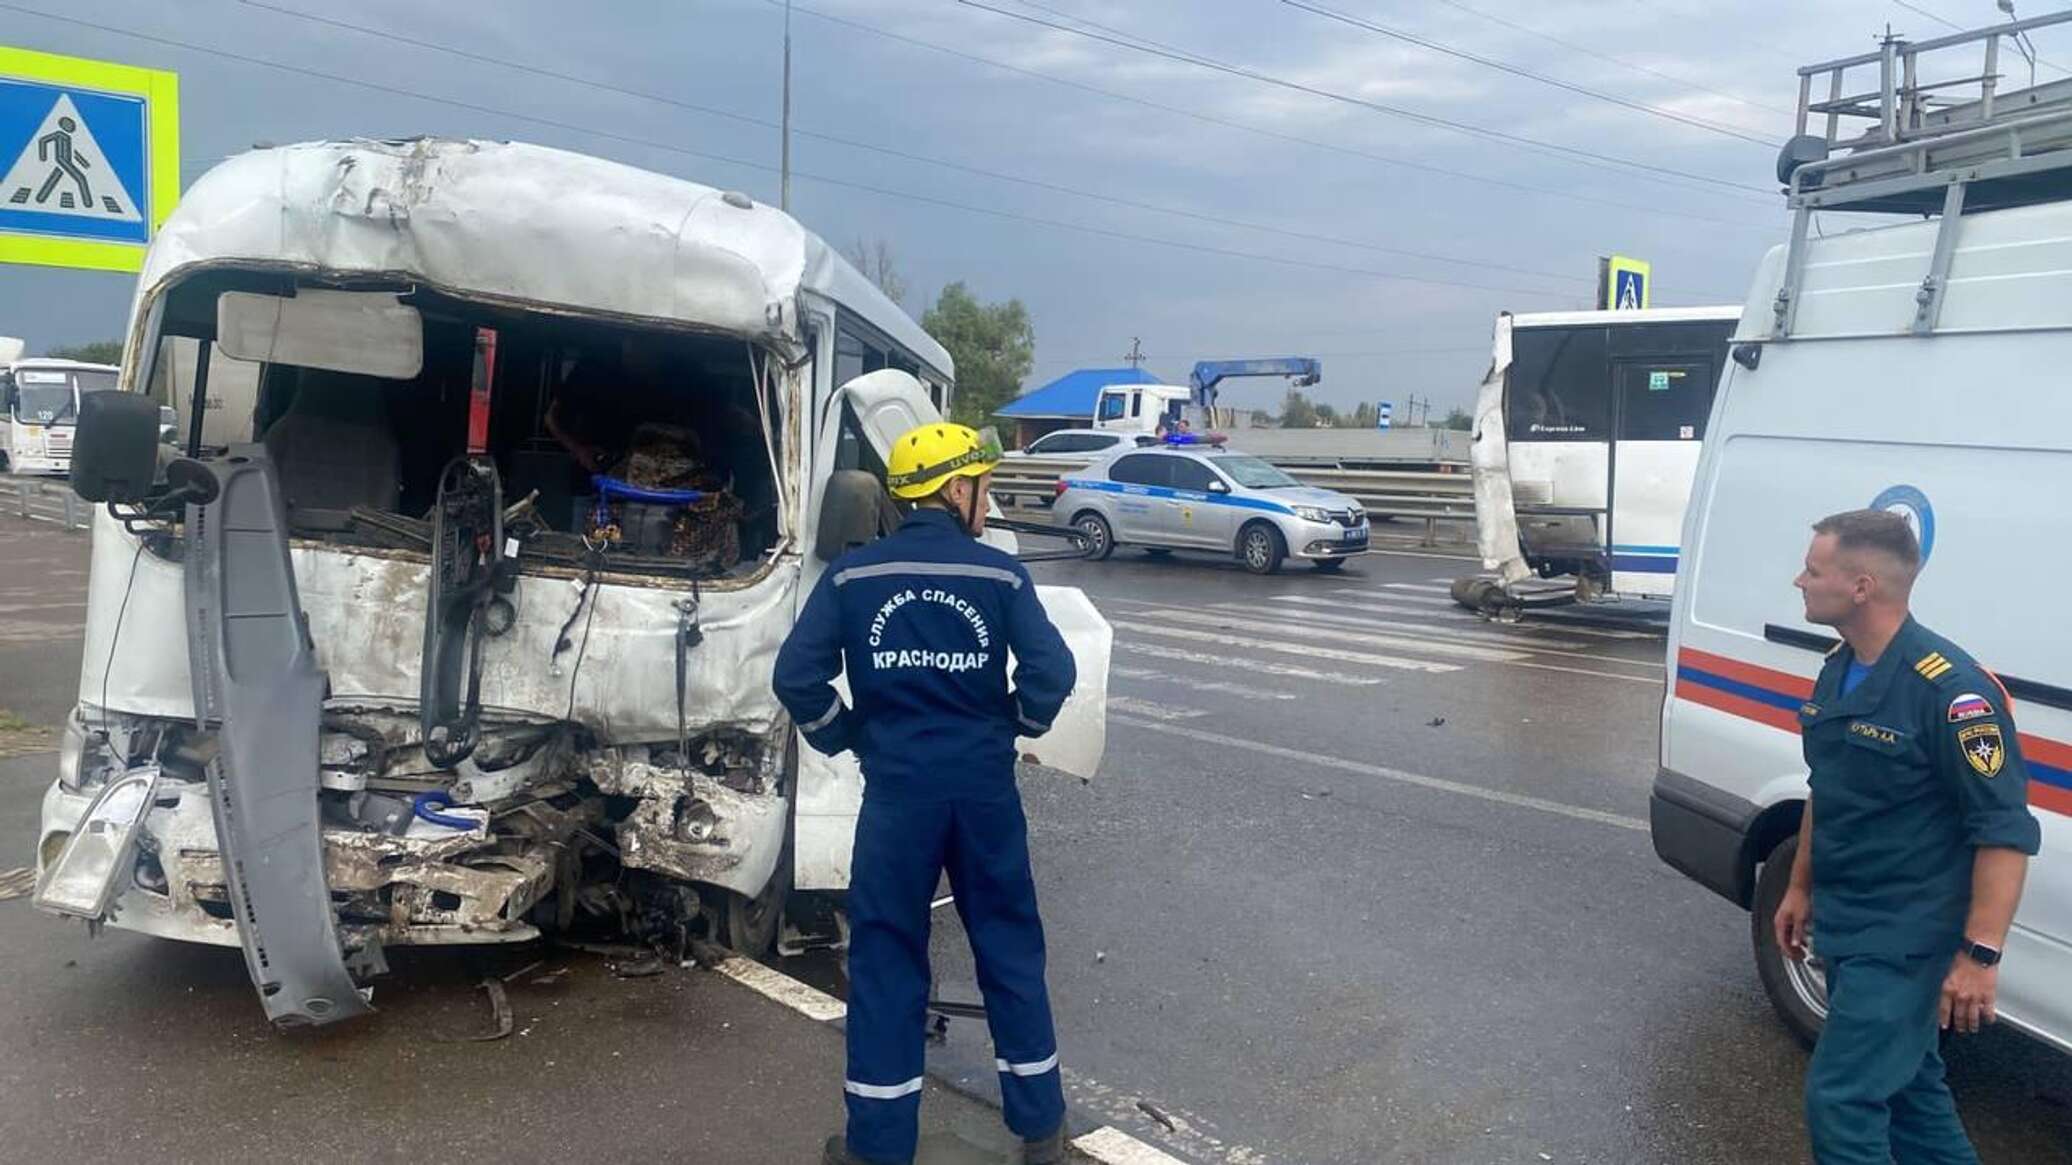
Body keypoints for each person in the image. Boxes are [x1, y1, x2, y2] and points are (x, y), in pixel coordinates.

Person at [773, 423, 1077, 1165]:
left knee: (886, 957)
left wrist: (846, 734)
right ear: (954, 488)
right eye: (981, 482)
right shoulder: (998, 576)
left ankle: (878, 1147)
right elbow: (1053, 673)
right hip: (982, 794)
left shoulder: (852, 578)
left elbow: (795, 679)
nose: (986, 496)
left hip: (897, 797)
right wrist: (1014, 724)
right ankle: (1041, 1132)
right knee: (1007, 945)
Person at [1775, 509, 2040, 1163]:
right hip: (1848, 924)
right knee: (1912, 1095)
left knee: (1843, 1101)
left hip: (1904, 940)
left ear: (1861, 585)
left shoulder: (1952, 692)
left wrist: (1980, 956)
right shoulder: (1842, 667)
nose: (1798, 580)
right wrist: (1799, 885)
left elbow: (2003, 829)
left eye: (1814, 568)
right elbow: (1827, 787)